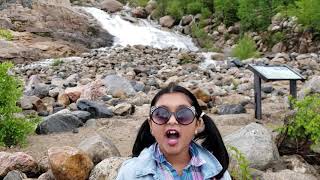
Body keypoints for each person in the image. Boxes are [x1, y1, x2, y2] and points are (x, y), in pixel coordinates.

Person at [116, 85, 231, 180]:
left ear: (197, 124)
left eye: (184, 114)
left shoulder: (218, 174)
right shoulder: (129, 173)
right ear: (151, 124)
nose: (172, 121)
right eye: (161, 114)